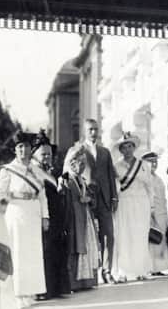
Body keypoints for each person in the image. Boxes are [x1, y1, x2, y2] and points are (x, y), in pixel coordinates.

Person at [0, 131, 49, 308]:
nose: (23, 150)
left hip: (33, 213)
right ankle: (18, 294)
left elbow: (43, 195)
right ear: (15, 150)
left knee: (33, 254)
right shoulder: (8, 170)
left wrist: (45, 216)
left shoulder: (36, 170)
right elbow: (0, 195)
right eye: (20, 147)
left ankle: (31, 291)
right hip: (16, 213)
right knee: (18, 253)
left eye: (26, 146)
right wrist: (10, 196)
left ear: (30, 149)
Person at [31, 130, 70, 299]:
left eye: (49, 154)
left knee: (55, 249)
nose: (47, 157)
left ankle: (55, 288)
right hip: (42, 217)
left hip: (56, 217)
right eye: (43, 154)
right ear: (34, 155)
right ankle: (43, 290)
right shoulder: (32, 172)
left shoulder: (50, 171)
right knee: (44, 252)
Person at [111, 133, 154, 282]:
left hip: (141, 203)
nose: (128, 149)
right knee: (124, 235)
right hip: (124, 202)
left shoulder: (143, 165)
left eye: (130, 146)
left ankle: (141, 270)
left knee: (140, 235)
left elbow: (150, 186)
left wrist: (152, 206)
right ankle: (123, 271)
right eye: (124, 147)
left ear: (134, 148)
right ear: (121, 149)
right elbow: (115, 187)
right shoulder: (116, 166)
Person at [80, 118, 118, 284]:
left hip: (105, 198)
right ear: (84, 131)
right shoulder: (78, 149)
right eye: (90, 130)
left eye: (96, 129)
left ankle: (107, 271)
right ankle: (91, 273)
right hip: (87, 198)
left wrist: (114, 196)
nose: (94, 132)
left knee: (108, 235)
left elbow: (110, 175)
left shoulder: (105, 152)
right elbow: (69, 169)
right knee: (89, 235)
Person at [58, 144, 100, 291]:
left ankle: (87, 281)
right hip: (74, 217)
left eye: (83, 163)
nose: (80, 166)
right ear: (71, 163)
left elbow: (91, 198)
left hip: (84, 216)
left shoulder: (82, 180)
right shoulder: (66, 180)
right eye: (77, 163)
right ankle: (74, 283)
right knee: (75, 246)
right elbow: (62, 200)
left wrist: (88, 199)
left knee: (87, 245)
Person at [142, 151, 168, 275]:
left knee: (160, 240)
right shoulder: (145, 178)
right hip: (152, 213)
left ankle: (158, 267)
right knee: (152, 240)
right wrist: (151, 212)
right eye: (151, 162)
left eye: (155, 161)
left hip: (161, 212)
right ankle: (151, 268)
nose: (154, 164)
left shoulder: (158, 178)